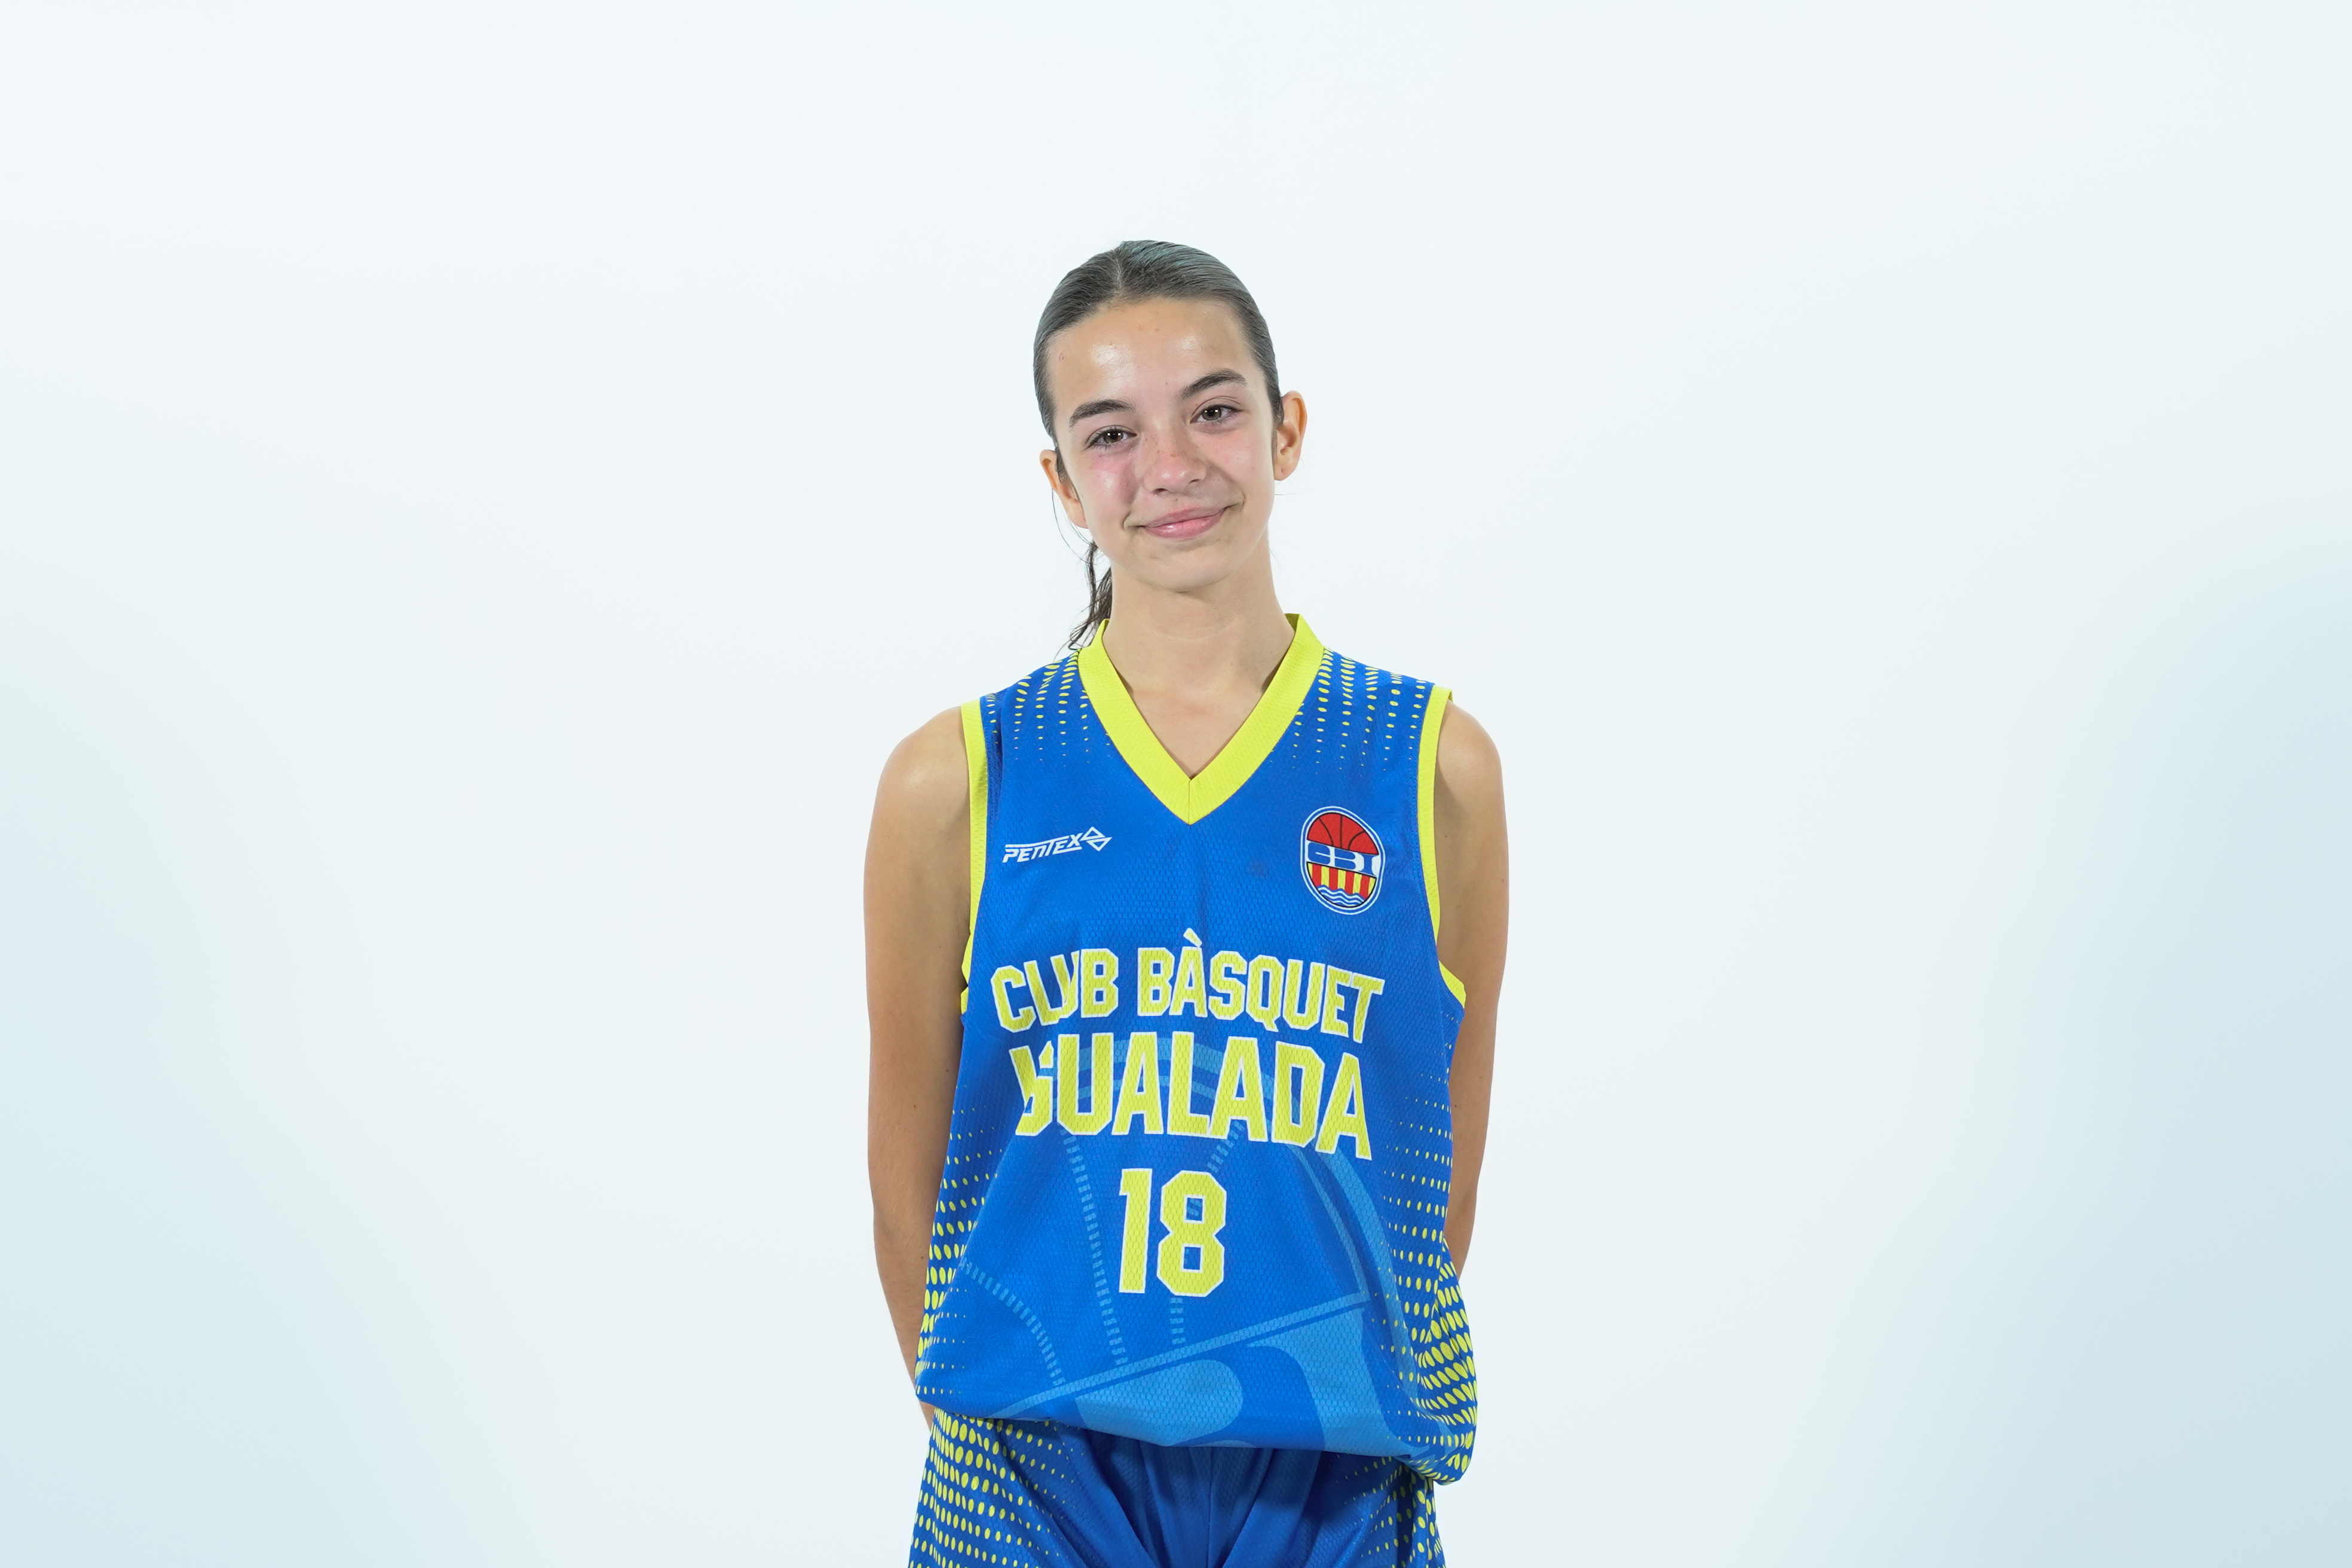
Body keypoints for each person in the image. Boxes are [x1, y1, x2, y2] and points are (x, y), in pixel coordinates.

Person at [865, 240, 1508, 1568]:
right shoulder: (961, 778)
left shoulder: (1427, 764)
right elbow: (903, 1178)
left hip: (1327, 1467)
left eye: (1213, 409)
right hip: (1036, 1464)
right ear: (1061, 479)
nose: (1169, 464)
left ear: (1287, 428)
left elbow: (1433, 1162)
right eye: (1111, 432)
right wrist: (991, 1406)